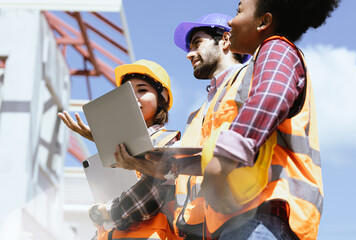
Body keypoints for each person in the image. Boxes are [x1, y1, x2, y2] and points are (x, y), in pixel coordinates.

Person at [199, 0, 341, 240]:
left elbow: (272, 94)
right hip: (248, 216)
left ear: (264, 21)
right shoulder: (261, 60)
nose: (231, 21)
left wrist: (224, 159)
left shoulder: (275, 47)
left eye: (239, 11)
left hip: (262, 216)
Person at [58, 59, 182, 240]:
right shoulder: (117, 146)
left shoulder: (168, 142)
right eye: (128, 93)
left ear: (162, 97)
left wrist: (102, 211)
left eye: (142, 90)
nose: (135, 97)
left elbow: (148, 199)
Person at [171, 13, 250, 239]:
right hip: (202, 227)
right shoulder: (198, 114)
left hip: (241, 218)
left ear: (225, 40)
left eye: (197, 43)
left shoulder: (251, 78)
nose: (189, 54)